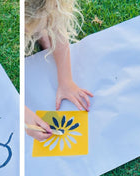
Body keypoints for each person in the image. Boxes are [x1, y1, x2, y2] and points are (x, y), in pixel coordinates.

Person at [24, 0, 93, 141]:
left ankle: (41, 30)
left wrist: (66, 80)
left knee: (50, 26)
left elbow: (58, 28)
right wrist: (23, 115)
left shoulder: (53, 5)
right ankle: (39, 29)